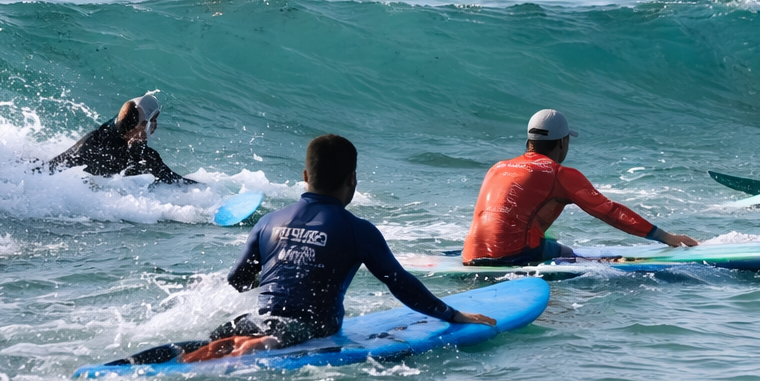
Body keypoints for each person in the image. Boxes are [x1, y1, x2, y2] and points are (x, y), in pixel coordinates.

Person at [182, 134, 495, 362]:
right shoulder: (357, 230)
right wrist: (452, 314)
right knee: (273, 340)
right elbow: (401, 284)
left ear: (305, 177)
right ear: (352, 180)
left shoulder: (268, 221)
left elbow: (238, 281)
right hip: (310, 329)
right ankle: (252, 347)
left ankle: (181, 353)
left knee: (208, 340)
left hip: (258, 317)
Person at [462, 109, 698, 266]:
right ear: (563, 142)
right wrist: (665, 237)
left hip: (471, 253)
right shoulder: (559, 173)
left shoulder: (498, 167)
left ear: (529, 142)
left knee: (544, 240)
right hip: (514, 255)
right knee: (566, 253)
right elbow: (611, 212)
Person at [48, 93, 195, 184]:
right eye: (152, 121)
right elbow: (49, 169)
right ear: (138, 128)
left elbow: (171, 179)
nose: (155, 126)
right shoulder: (93, 144)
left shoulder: (136, 144)